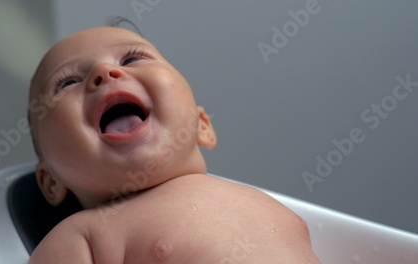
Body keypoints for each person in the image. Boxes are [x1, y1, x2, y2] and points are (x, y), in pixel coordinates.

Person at [27, 26, 320, 263]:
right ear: (51, 180)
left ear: (201, 126)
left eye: (131, 59)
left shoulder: (253, 197)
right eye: (67, 83)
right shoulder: (85, 236)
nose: (104, 73)